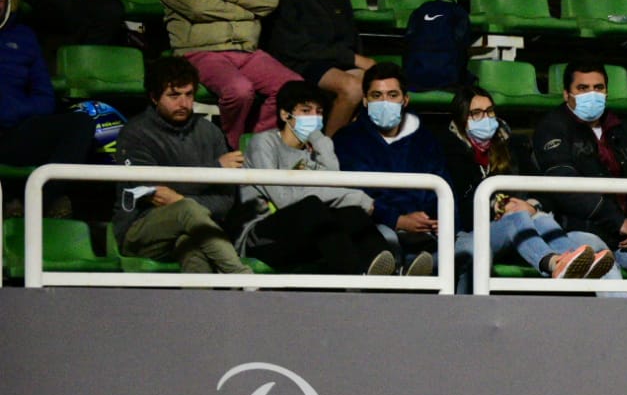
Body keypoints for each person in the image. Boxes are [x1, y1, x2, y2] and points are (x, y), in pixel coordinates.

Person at [532, 61, 627, 296]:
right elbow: (564, 187)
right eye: (583, 88)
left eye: (598, 87)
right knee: (605, 265)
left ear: (607, 91)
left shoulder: (625, 130)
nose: (592, 94)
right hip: (577, 230)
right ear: (566, 94)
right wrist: (619, 222)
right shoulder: (552, 129)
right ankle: (618, 333)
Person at [443, 84, 612, 292]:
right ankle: (552, 263)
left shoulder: (513, 145)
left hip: (521, 228)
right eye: (476, 113)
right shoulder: (450, 151)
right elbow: (462, 206)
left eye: (489, 111)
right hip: (473, 230)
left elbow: (539, 188)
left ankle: (568, 260)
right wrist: (499, 207)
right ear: (461, 120)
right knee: (517, 217)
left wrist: (532, 205)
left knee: (540, 217)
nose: (485, 118)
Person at [238, 79, 396, 276]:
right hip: (263, 238)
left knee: (351, 212)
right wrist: (356, 197)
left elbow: (335, 184)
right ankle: (355, 280)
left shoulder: (314, 151)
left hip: (308, 234)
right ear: (285, 114)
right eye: (306, 111)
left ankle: (392, 273)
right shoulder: (264, 143)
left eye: (319, 112)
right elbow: (284, 199)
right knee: (313, 206)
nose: (314, 118)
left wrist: (321, 141)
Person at [112, 55, 253, 274]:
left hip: (195, 229)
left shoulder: (210, 132)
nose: (183, 103)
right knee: (187, 212)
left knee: (193, 247)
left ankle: (198, 307)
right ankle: (242, 278)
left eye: (189, 95)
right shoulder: (135, 133)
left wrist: (180, 200)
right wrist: (214, 170)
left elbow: (225, 200)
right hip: (140, 229)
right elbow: (153, 192)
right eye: (174, 95)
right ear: (154, 97)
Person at [160, 0, 303, 148]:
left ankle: (255, 145)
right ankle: (231, 145)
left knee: (294, 88)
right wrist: (246, 11)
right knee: (239, 90)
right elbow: (197, 6)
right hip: (201, 50)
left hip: (246, 49)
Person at [0, 0, 99, 218]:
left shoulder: (24, 37)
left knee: (80, 123)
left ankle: (36, 205)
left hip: (17, 130)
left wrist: (13, 110)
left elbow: (44, 97)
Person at [332, 61, 443, 276]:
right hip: (376, 225)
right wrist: (397, 220)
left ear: (405, 99)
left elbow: (442, 183)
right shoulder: (346, 141)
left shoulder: (427, 140)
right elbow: (353, 195)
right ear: (365, 100)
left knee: (456, 250)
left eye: (392, 95)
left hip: (424, 228)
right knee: (387, 243)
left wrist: (436, 220)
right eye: (376, 96)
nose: (385, 102)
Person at [262, 0, 371, 136]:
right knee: (353, 88)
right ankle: (325, 150)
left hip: (334, 58)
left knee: (378, 84)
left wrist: (356, 59)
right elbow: (293, 44)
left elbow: (349, 30)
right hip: (300, 60)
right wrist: (353, 59)